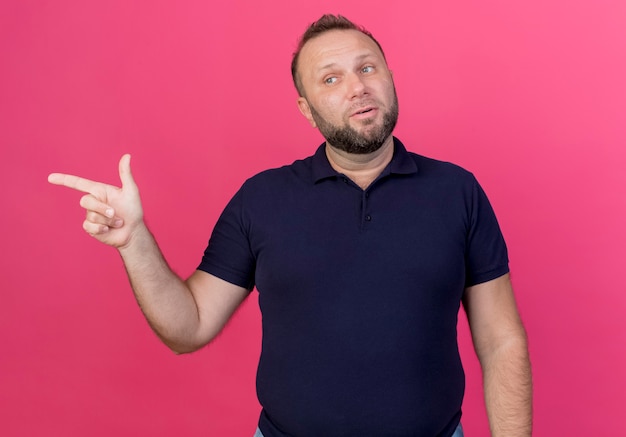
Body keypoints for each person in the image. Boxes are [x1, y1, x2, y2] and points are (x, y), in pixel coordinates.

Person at [48, 14, 532, 437]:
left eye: (367, 68)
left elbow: (501, 339)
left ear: (390, 77)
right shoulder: (262, 199)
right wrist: (133, 241)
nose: (357, 86)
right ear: (306, 108)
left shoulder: (457, 191)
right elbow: (188, 326)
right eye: (330, 79)